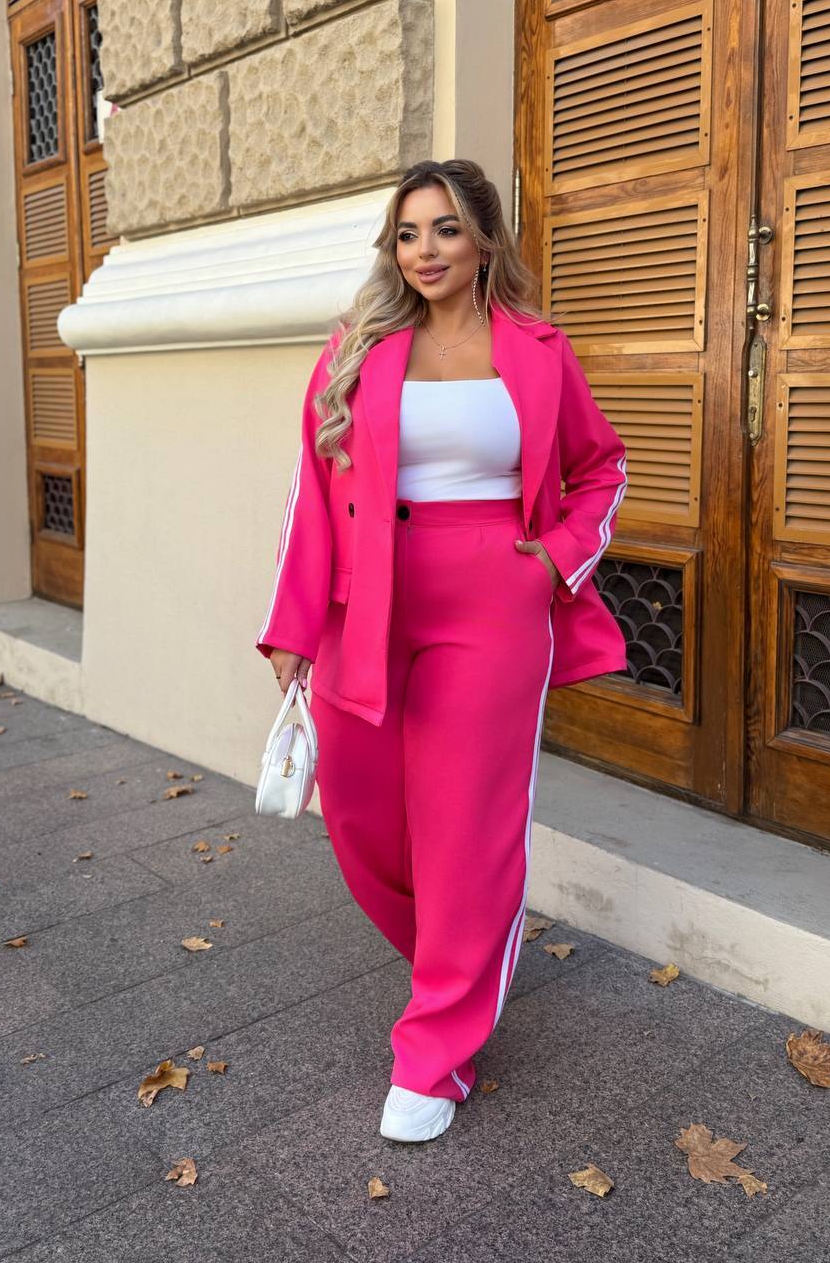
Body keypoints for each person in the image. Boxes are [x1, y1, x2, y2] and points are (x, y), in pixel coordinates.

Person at [255, 159, 628, 1143]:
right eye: (409, 232)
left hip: (495, 601)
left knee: (466, 825)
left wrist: (557, 559)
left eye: (447, 229)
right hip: (364, 600)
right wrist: (292, 626)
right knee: (363, 816)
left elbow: (603, 468)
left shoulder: (538, 349)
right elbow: (310, 490)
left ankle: (438, 1046)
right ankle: (458, 955)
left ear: (485, 241)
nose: (426, 251)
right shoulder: (358, 346)